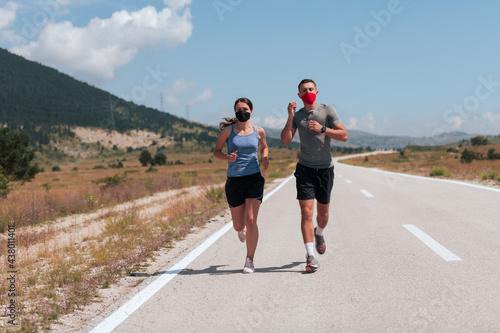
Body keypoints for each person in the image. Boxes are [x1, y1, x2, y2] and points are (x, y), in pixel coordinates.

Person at [280, 79, 347, 273]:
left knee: (323, 215)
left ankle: (319, 233)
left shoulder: (328, 111)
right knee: (306, 213)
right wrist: (290, 116)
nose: (308, 92)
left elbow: (343, 135)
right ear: (299, 95)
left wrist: (323, 129)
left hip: (325, 169)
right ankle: (310, 256)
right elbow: (285, 141)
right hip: (305, 170)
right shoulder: (298, 116)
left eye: (311, 89)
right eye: (304, 90)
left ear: (316, 92)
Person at [213, 97, 269, 273]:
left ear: (251, 111)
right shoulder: (228, 132)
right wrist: (227, 157)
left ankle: (249, 260)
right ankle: (241, 228)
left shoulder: (259, 131)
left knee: (251, 220)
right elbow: (216, 151)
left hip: (254, 178)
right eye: (238, 109)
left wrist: (264, 157)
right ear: (235, 112)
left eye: (244, 108)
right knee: (238, 225)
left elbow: (264, 147)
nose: (241, 111)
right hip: (234, 180)